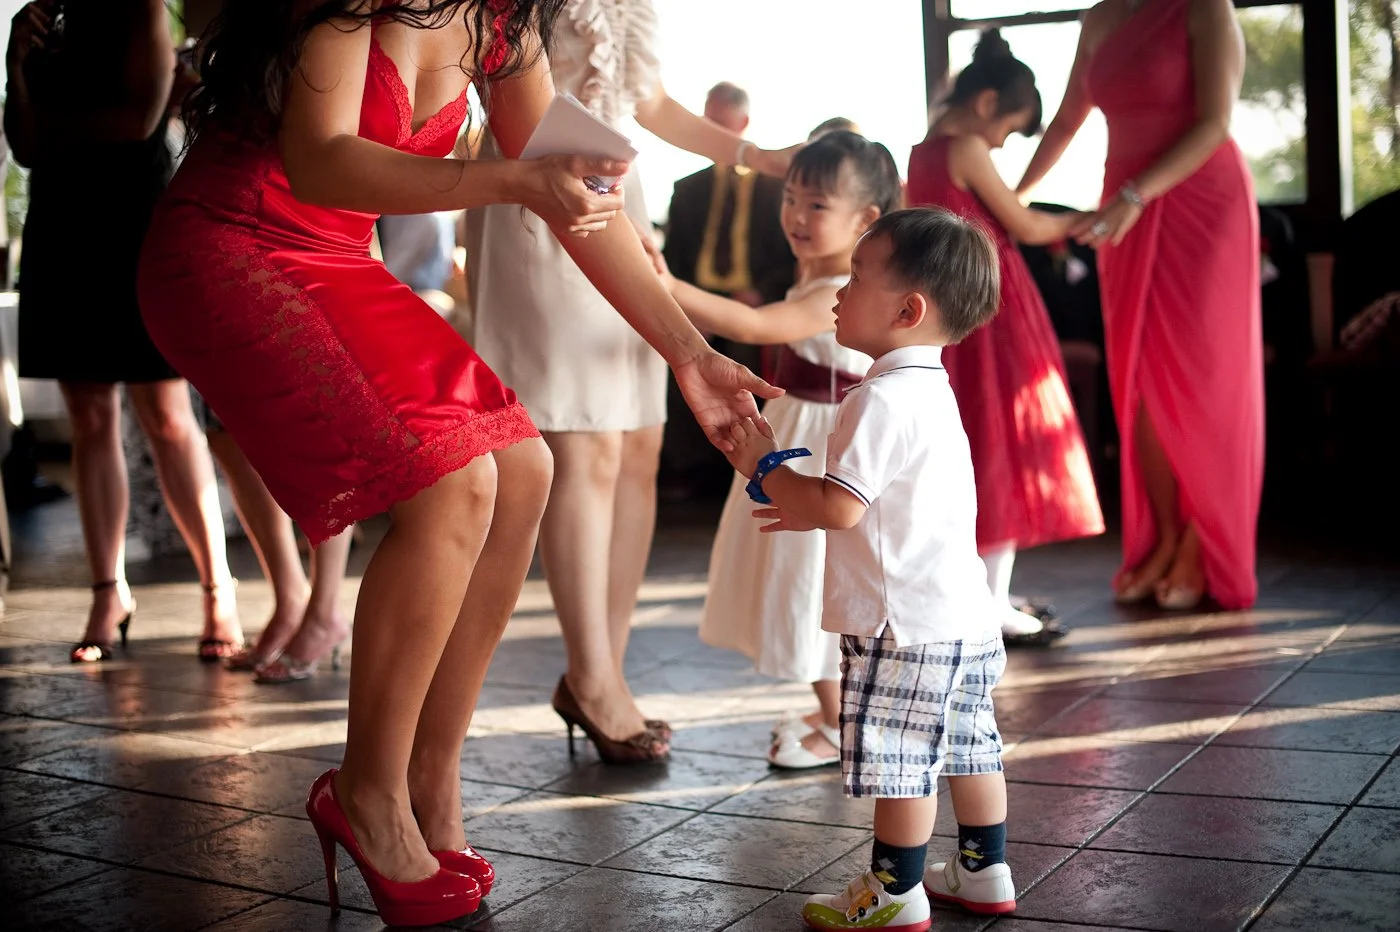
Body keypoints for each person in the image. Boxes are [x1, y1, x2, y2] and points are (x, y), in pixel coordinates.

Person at [136, 1, 777, 925]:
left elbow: (583, 209)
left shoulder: (500, 28)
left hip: (338, 258)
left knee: (525, 470)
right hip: (230, 246)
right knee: (455, 482)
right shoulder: (350, 5)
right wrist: (514, 180)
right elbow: (321, 161)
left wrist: (690, 353)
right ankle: (366, 793)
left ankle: (431, 782)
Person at [465, 0, 795, 765]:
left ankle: (599, 671)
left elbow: (645, 104)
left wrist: (759, 159)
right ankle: (592, 674)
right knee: (584, 445)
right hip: (540, 190)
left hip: (620, 198)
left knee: (641, 444)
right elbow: (507, 94)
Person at [721, 208, 1016, 930]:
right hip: (961, 615)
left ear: (909, 309)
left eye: (855, 279)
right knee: (970, 742)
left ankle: (894, 891)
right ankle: (983, 871)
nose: (838, 294)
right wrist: (800, 497)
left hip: (901, 624)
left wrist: (761, 465)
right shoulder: (933, 391)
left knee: (905, 757)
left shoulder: (876, 398)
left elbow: (841, 507)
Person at [6, 0, 244, 663]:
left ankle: (218, 588)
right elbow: (25, 145)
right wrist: (14, 67)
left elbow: (136, 123)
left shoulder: (138, 9)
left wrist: (55, 127)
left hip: (132, 224)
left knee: (167, 414)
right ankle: (109, 591)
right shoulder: (42, 23)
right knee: (88, 416)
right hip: (61, 226)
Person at [1017, 0, 1262, 611]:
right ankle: (1169, 534)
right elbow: (1068, 121)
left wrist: (1136, 194)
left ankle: (1205, 542)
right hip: (1121, 214)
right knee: (1140, 381)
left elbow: (1214, 123)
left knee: (1205, 379)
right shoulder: (1098, 19)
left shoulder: (1206, 9)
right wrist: (1008, 200)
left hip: (1197, 203)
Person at [668, 131, 900, 769]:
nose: (796, 216)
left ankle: (840, 722)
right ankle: (834, 710)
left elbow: (755, 326)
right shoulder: (823, 273)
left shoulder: (838, 289)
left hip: (823, 443)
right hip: (802, 427)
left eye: (817, 204)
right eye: (790, 198)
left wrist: (665, 283)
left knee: (812, 578)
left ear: (866, 220)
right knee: (798, 575)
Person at [907, 29, 1103, 645]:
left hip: (947, 304)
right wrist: (1089, 220)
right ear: (988, 104)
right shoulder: (965, 145)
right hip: (994, 307)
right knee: (1006, 442)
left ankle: (978, 587)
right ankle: (990, 600)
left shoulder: (919, 149)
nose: (1003, 143)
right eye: (1011, 131)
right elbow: (1020, 221)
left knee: (970, 444)